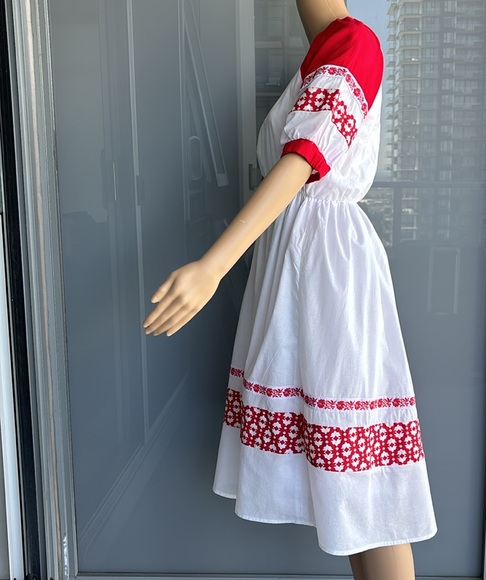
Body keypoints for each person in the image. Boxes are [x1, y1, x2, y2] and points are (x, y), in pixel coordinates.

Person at [143, 1, 437, 578]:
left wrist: (213, 266)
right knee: (346, 487)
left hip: (330, 276)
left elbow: (303, 160)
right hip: (300, 270)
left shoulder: (354, 43)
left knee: (365, 487)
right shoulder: (322, 52)